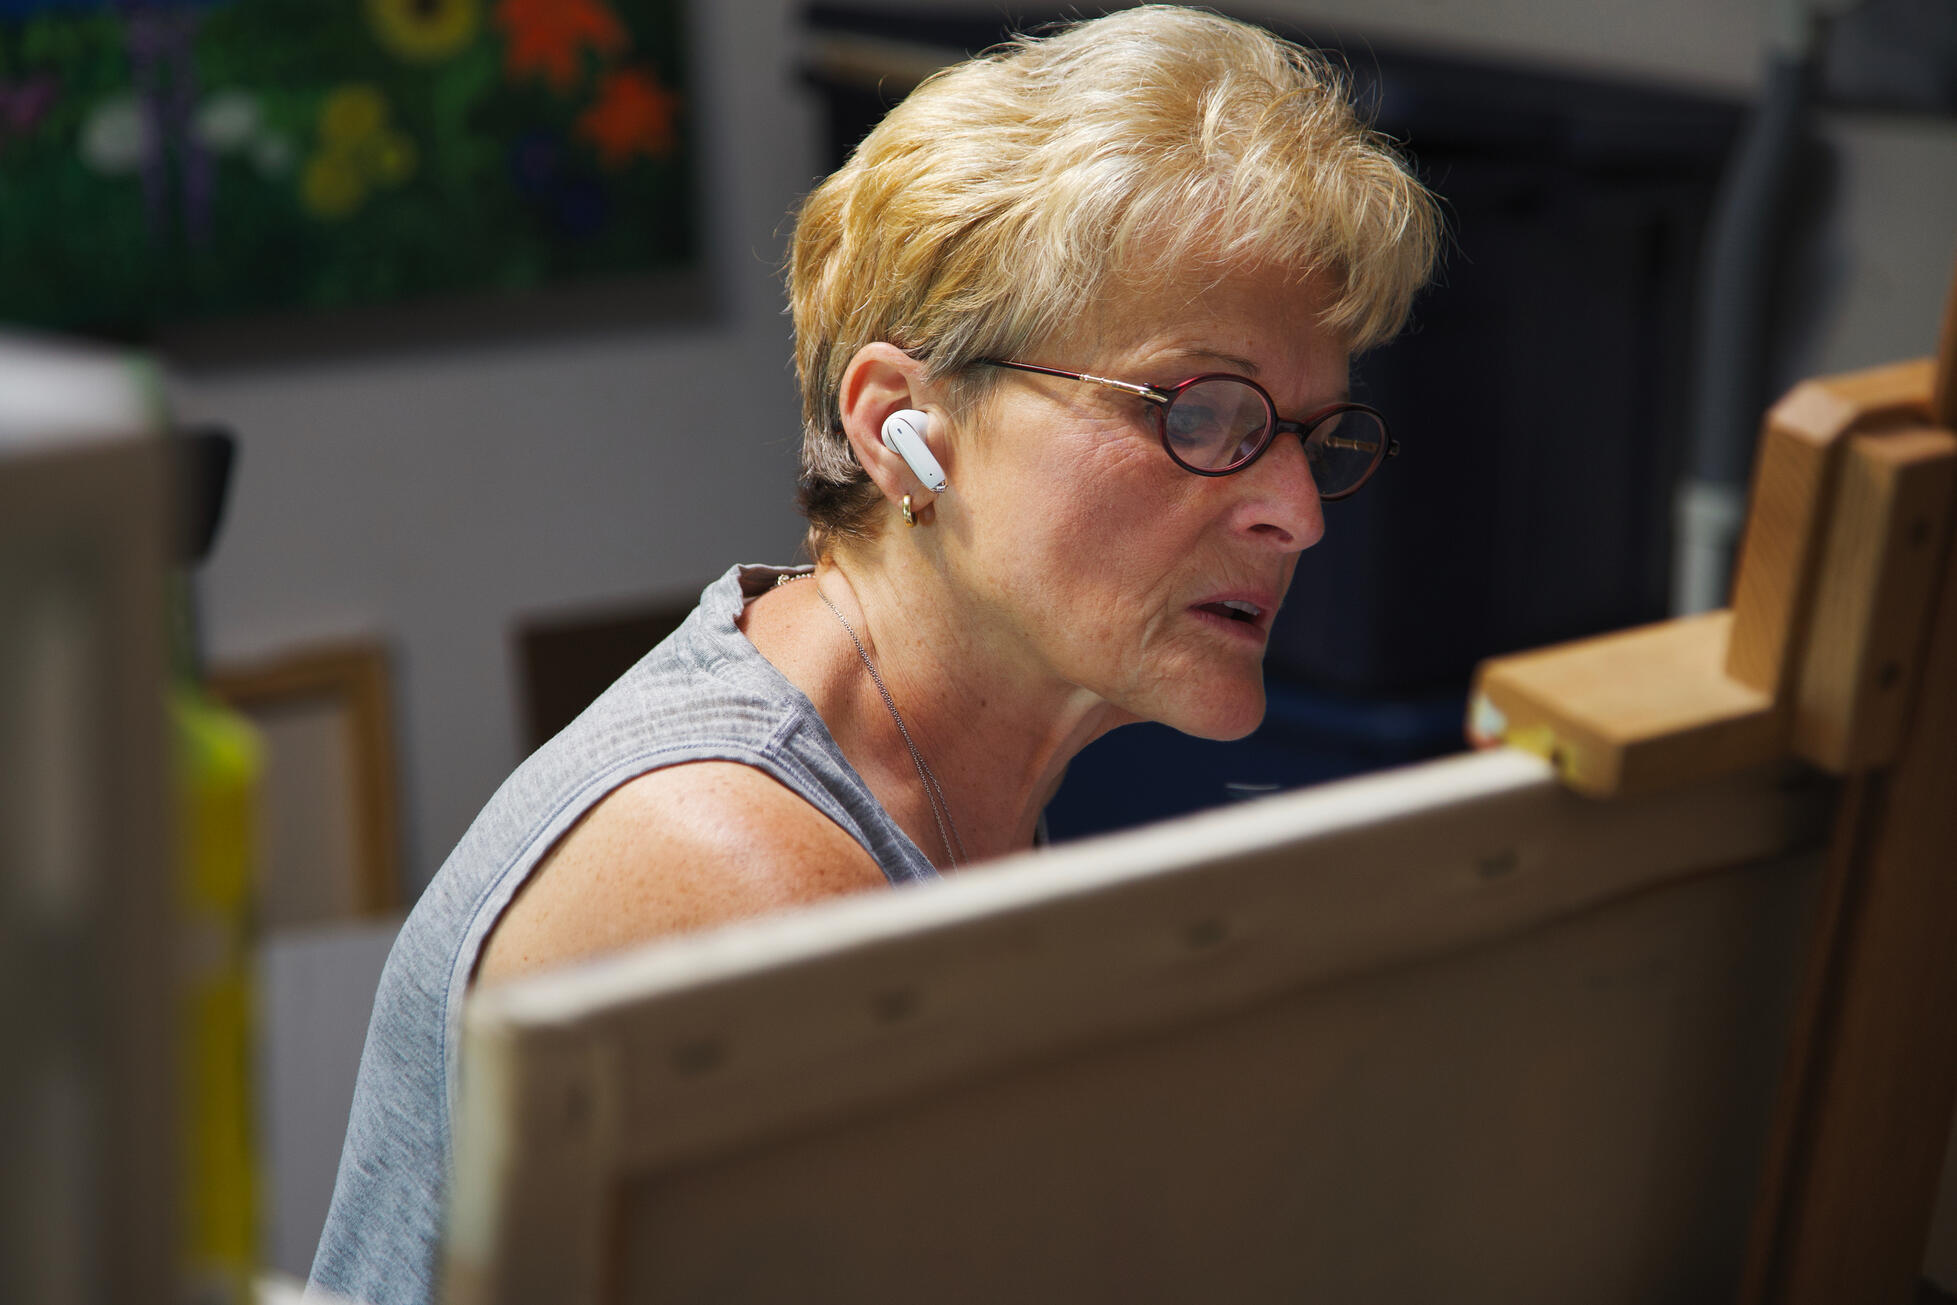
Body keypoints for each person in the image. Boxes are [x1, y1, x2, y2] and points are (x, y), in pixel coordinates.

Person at [309, 6, 1439, 1302]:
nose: (1293, 513)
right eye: (1202, 412)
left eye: (1311, 434)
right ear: (905, 426)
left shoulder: (945, 778)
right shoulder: (737, 872)